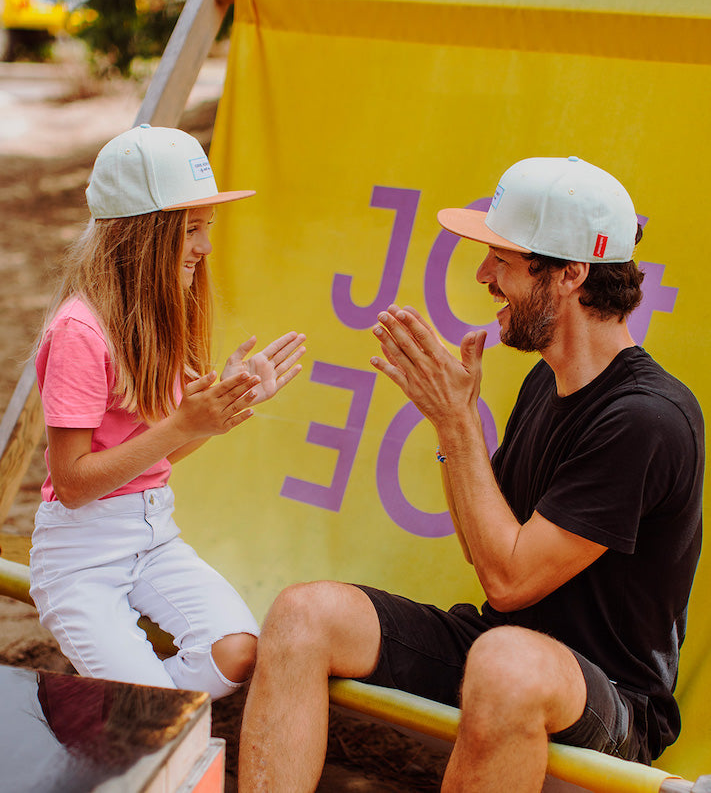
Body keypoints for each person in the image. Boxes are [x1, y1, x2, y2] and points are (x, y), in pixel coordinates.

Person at [237, 156, 704, 791]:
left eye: (503, 260)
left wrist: (457, 423)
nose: (483, 275)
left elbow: (510, 581)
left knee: (504, 660)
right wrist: (449, 427)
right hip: (500, 645)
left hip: (611, 701)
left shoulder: (647, 418)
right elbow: (490, 556)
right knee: (301, 615)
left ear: (571, 274)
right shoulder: (546, 380)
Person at [29, 124, 306, 700]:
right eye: (192, 229)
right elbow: (74, 483)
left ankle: (125, 726)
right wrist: (185, 422)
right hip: (80, 556)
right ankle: (133, 728)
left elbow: (154, 457)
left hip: (153, 536)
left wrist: (222, 409)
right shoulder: (81, 332)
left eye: (207, 228)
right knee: (152, 714)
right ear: (142, 236)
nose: (205, 247)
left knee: (236, 652)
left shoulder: (155, 319)